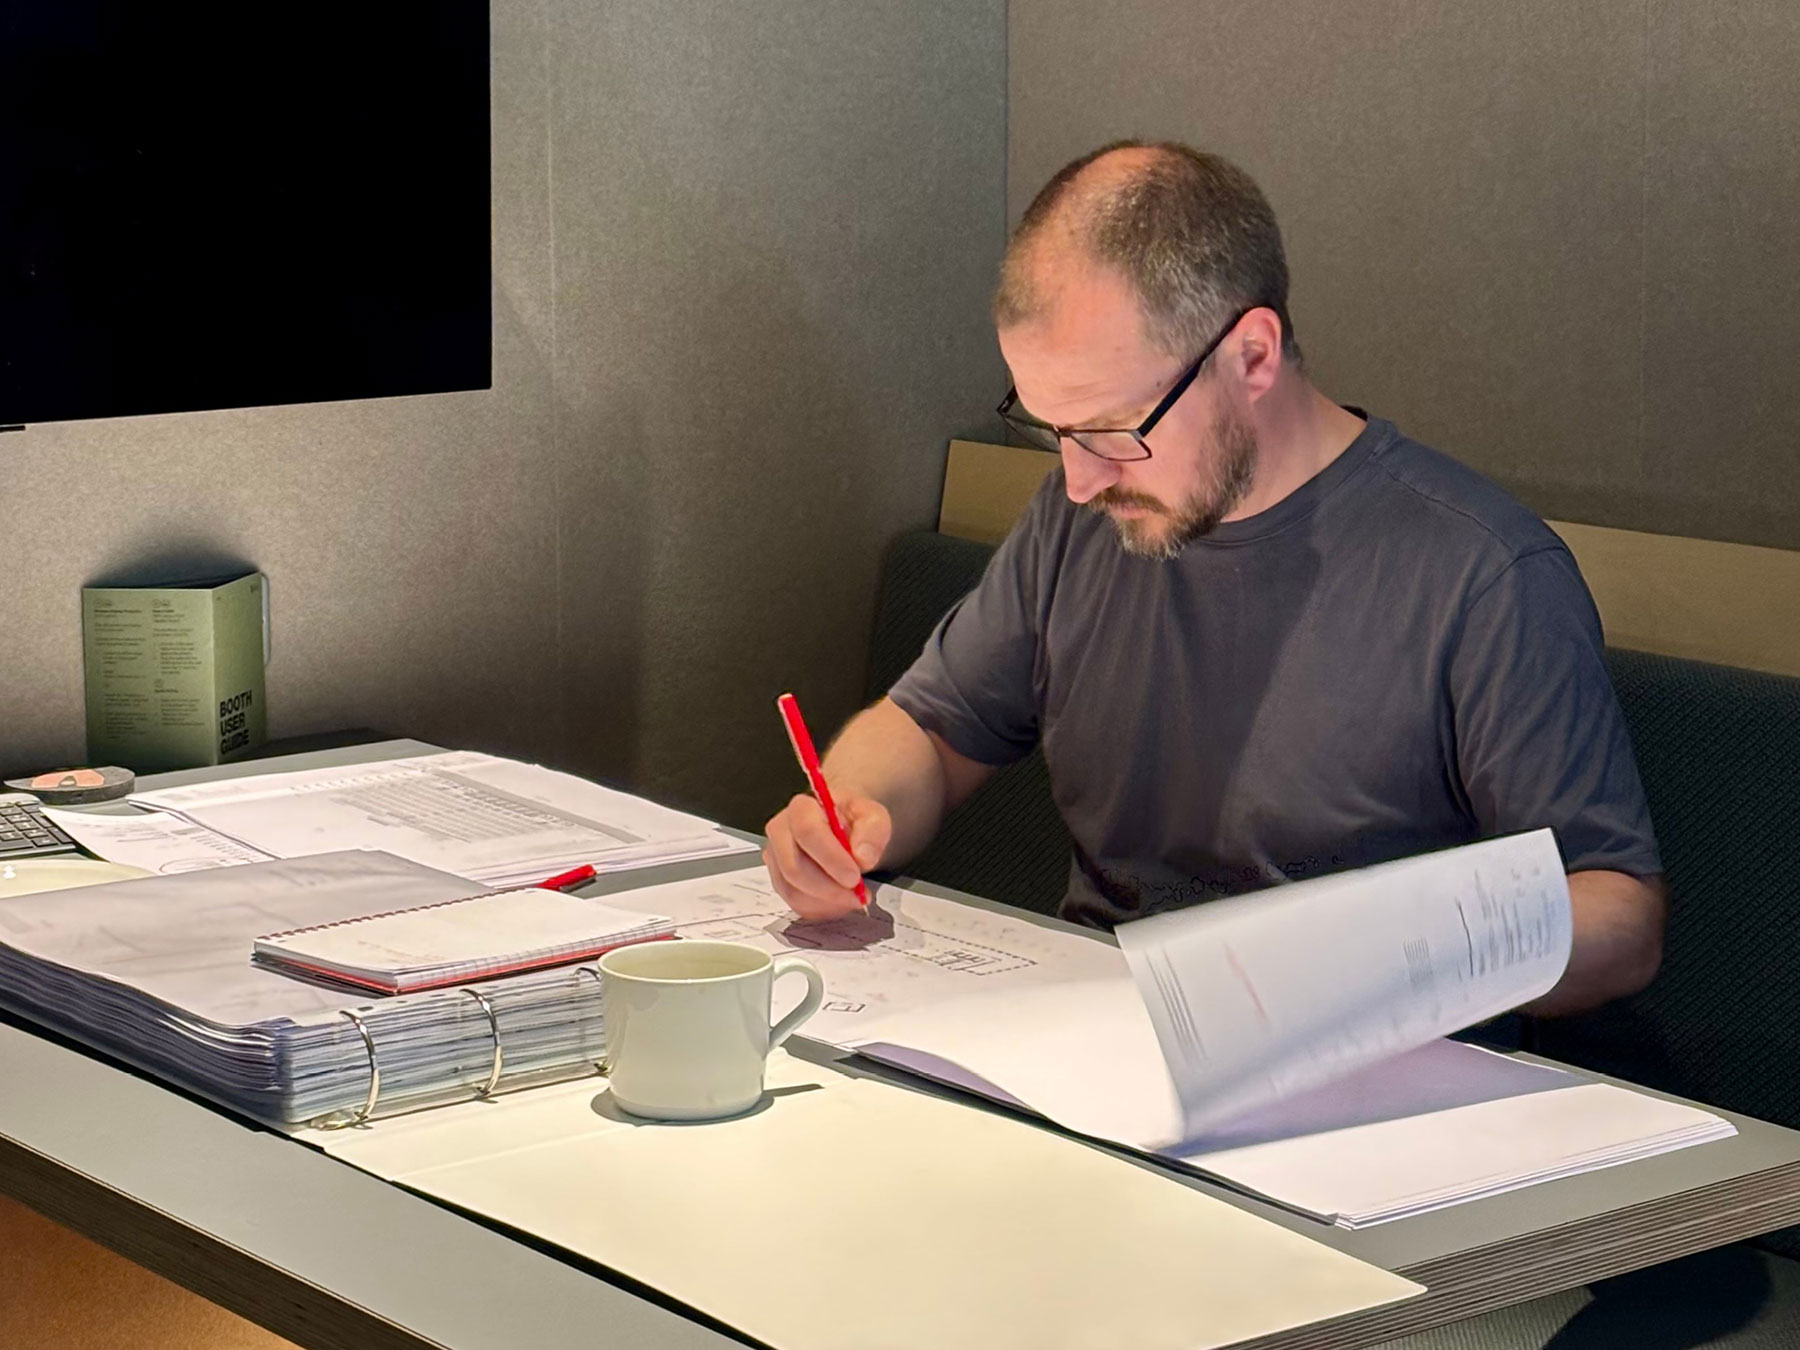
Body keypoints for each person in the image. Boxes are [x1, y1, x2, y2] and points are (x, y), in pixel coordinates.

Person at [763, 141, 1664, 1016]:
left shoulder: (1483, 574)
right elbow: (930, 729)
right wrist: (850, 817)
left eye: (1113, 429)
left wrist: (1385, 956)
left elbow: (1618, 916)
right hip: (1100, 1031)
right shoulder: (1084, 518)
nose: (1078, 480)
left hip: (1361, 1055)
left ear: (1252, 357)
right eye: (1051, 428)